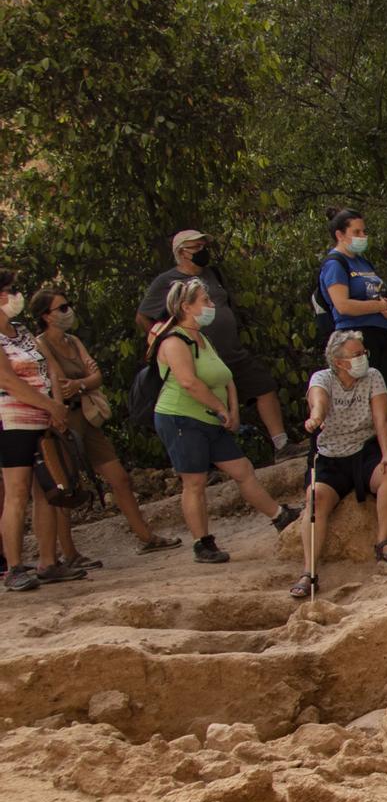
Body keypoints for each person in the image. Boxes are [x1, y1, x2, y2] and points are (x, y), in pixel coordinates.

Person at [147, 279, 301, 564]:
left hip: (210, 418)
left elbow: (226, 377)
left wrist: (232, 409)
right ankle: (201, 543)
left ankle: (279, 516)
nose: (211, 306)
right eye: (205, 301)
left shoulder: (203, 339)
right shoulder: (174, 341)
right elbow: (188, 382)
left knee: (242, 469)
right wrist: (221, 408)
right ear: (185, 307)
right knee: (194, 481)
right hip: (181, 418)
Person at [31, 288, 181, 556]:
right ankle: (69, 553)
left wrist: (78, 384)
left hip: (87, 417)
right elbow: (57, 381)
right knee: (66, 486)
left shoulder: (74, 341)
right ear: (46, 316)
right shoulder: (40, 344)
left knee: (120, 478)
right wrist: (82, 384)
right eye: (62, 308)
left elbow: (95, 377)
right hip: (62, 420)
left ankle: (146, 536)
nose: (69, 311)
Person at [136, 229, 292, 454]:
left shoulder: (212, 274)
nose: (203, 251)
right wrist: (164, 339)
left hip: (231, 351)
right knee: (205, 404)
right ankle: (211, 462)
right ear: (182, 252)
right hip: (198, 357)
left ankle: (281, 444)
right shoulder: (167, 281)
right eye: (196, 247)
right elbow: (142, 316)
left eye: (204, 246)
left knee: (263, 385)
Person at [292, 330, 387, 598]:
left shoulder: (373, 376)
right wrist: (316, 418)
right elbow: (318, 402)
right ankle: (309, 573)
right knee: (315, 498)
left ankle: (383, 542)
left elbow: (381, 418)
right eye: (357, 355)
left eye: (363, 353)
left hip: (364, 451)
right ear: (339, 361)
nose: (363, 358)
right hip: (330, 456)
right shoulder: (322, 378)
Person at [0, 270, 86, 591]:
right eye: (9, 290)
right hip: (12, 421)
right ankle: (13, 568)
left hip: (44, 418)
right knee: (17, 492)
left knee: (49, 491)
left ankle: (49, 562)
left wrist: (56, 405)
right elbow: (7, 381)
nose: (15, 295)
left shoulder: (21, 331)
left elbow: (47, 367)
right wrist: (51, 406)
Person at [316, 210, 387, 426]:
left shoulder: (363, 263)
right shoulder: (335, 263)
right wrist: (378, 306)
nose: (362, 236)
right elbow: (342, 305)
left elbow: (381, 295)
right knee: (361, 396)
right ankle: (366, 444)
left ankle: (380, 439)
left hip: (380, 331)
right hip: (354, 336)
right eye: (356, 231)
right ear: (340, 234)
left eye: (364, 231)